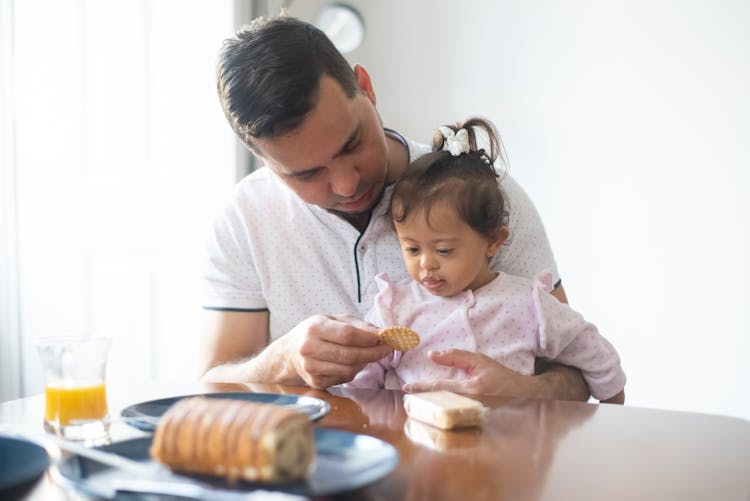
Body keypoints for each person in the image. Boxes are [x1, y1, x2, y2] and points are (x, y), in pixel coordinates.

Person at [200, 13, 590, 400]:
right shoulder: (244, 219)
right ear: (266, 163)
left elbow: (579, 375)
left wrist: (523, 389)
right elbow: (213, 387)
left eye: (352, 144)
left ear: (366, 87)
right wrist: (283, 359)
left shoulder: (483, 195)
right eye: (307, 174)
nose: (347, 183)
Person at [345, 118, 626, 403]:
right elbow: (360, 387)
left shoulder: (529, 305)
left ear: (493, 241)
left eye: (443, 250)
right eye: (412, 249)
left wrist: (613, 402)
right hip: (416, 441)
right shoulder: (393, 309)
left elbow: (592, 350)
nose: (426, 264)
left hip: (510, 443)